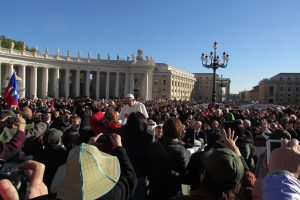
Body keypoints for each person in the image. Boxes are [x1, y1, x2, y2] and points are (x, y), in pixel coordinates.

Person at [51, 133, 137, 200]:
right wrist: (119, 147)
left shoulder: (61, 196)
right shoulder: (112, 195)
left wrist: (86, 149)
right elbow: (130, 178)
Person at [146, 118, 188, 200]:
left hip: (155, 189)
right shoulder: (180, 150)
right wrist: (187, 193)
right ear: (178, 131)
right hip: (172, 191)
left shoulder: (153, 146)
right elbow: (185, 175)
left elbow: (148, 167)